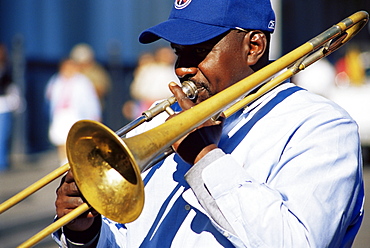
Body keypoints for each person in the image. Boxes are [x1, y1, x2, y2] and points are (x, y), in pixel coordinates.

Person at [53, 0, 364, 247]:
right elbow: (132, 239)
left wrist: (205, 160)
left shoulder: (323, 127)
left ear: (253, 46)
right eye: (178, 53)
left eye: (199, 51)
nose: (182, 69)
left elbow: (297, 242)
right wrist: (86, 234)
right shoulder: (169, 123)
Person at [46, 58, 101, 164]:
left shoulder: (82, 81)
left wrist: (95, 115)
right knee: (60, 138)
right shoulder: (56, 80)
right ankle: (63, 162)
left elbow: (90, 100)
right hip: (60, 114)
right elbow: (49, 98)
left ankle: (73, 162)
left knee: (73, 139)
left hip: (75, 114)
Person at [70, 43, 112, 109]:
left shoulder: (97, 72)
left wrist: (85, 90)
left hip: (91, 109)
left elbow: (102, 90)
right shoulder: (71, 72)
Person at [0, 43, 21, 172]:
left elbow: (11, 87)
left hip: (3, 107)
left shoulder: (7, 69)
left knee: (3, 136)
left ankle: (2, 162)